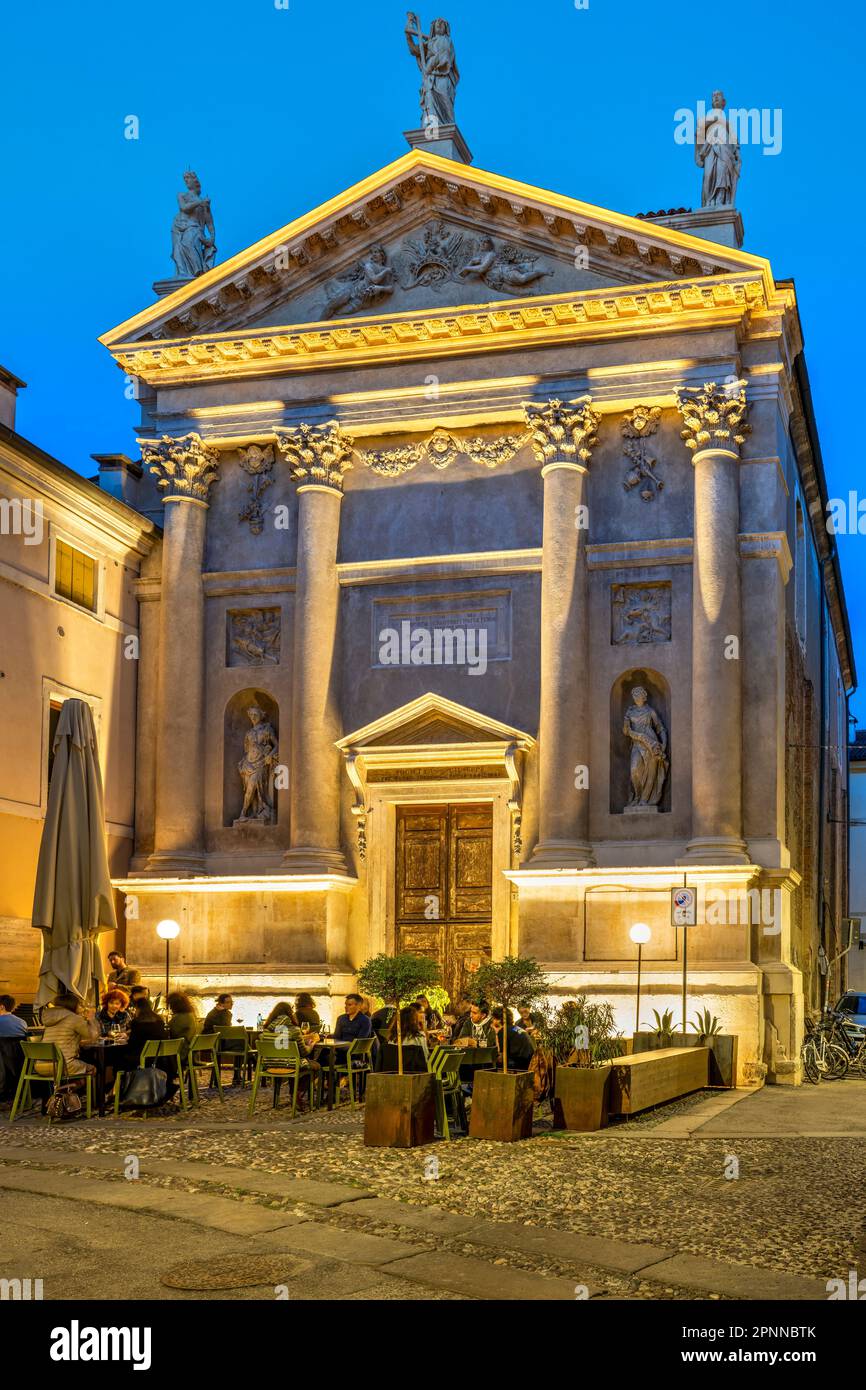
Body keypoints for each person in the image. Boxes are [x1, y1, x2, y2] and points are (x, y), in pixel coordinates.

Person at [38, 992, 99, 1077]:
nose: (81, 1008)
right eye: (80, 1005)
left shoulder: (50, 1018)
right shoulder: (74, 1018)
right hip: (63, 1065)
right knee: (92, 1069)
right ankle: (69, 1088)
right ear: (73, 1005)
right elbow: (93, 1035)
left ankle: (66, 1088)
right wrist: (91, 1019)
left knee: (78, 1065)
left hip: (40, 1066)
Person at [167, 991, 200, 1058]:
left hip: (181, 1053)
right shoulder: (192, 1015)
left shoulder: (178, 1018)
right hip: (193, 1053)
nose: (170, 1008)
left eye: (170, 1005)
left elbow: (169, 1033)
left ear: (175, 1005)